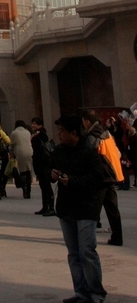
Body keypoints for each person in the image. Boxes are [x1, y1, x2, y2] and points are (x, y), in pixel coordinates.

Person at [47, 114, 107, 303]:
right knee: (73, 253)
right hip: (66, 208)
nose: (59, 134)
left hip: (86, 208)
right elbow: (48, 169)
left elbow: (97, 178)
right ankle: (81, 292)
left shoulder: (88, 152)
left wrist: (72, 181)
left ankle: (96, 293)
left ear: (74, 133)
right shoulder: (59, 151)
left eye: (62, 131)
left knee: (87, 251)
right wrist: (52, 174)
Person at [81, 109, 123, 246]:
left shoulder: (93, 136)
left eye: (83, 121)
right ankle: (117, 238)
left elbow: (89, 157)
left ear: (87, 121)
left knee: (93, 210)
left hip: (100, 177)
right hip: (111, 175)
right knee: (113, 209)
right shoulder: (107, 132)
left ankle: (88, 240)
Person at [31, 116, 56, 216]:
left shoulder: (41, 135)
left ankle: (51, 207)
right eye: (33, 123)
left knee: (46, 185)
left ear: (40, 125)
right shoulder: (38, 135)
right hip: (40, 163)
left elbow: (38, 149)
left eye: (35, 123)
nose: (33, 125)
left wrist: (32, 139)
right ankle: (45, 206)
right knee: (43, 185)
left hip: (43, 163)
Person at [10, 119, 34, 199]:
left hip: (20, 152)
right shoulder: (27, 132)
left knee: (22, 171)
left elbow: (12, 144)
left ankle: (24, 189)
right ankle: (29, 190)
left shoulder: (14, 133)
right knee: (28, 170)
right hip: (29, 151)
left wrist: (11, 151)